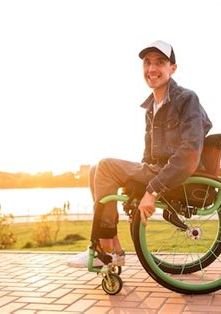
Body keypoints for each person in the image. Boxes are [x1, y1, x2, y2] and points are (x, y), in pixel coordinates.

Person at [67, 40, 212, 268]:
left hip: (176, 175)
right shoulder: (151, 107)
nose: (152, 69)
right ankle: (113, 246)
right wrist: (134, 183)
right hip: (156, 169)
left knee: (105, 166)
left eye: (160, 62)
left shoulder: (186, 99)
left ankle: (105, 253)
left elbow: (189, 153)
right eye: (147, 63)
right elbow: (148, 156)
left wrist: (152, 190)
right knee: (96, 169)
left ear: (172, 68)